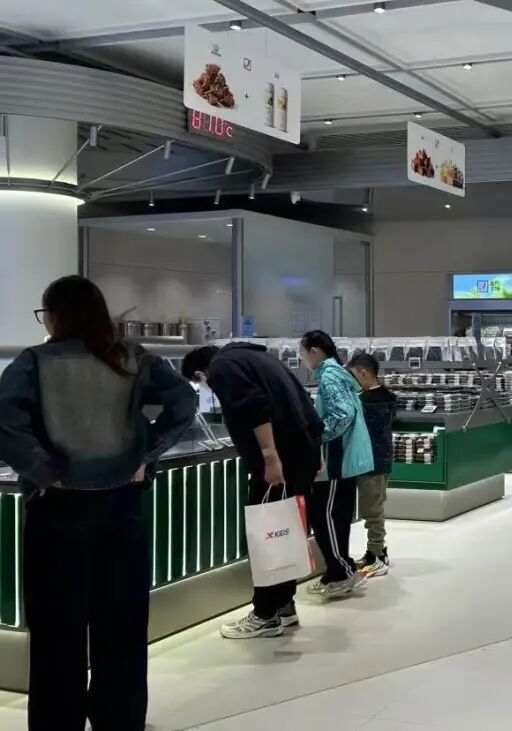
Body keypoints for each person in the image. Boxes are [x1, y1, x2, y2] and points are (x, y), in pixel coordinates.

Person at [0, 275, 196, 731]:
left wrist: (44, 471)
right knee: (122, 628)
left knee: (56, 633)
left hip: (57, 510)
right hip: (121, 507)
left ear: (54, 315)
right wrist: (144, 456)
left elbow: (6, 424)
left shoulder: (35, 362)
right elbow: (184, 403)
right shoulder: (133, 358)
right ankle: (119, 719)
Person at [181, 340, 323, 639]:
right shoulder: (261, 359)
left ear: (200, 374)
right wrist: (314, 450)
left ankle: (265, 614)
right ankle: (284, 606)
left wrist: (270, 457)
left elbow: (255, 409)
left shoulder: (223, 368)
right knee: (284, 532)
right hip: (300, 454)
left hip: (280, 461)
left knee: (267, 537)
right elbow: (303, 401)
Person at [300, 330, 373, 599]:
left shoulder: (329, 376)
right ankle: (335, 571)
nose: (302, 359)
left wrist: (317, 435)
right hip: (345, 459)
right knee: (337, 516)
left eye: (302, 353)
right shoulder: (338, 374)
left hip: (335, 459)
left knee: (324, 516)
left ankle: (342, 572)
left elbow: (342, 415)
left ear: (315, 351)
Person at [347, 353, 397, 577]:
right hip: (382, 459)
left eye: (353, 375)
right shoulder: (388, 397)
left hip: (369, 462)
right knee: (375, 507)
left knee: (372, 511)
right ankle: (376, 552)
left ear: (364, 373)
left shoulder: (365, 402)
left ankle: (376, 556)